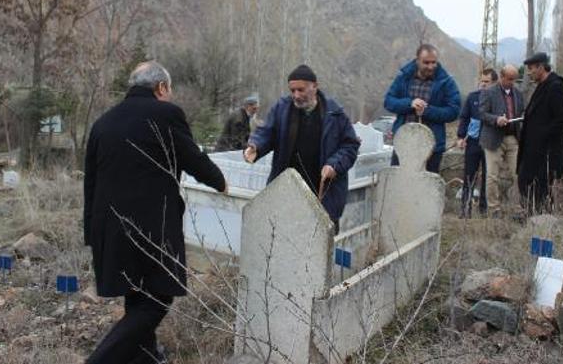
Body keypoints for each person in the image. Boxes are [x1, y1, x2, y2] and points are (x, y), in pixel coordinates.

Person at [84, 61, 226, 364]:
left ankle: (146, 357)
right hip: (153, 228)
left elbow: (90, 183)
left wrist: (91, 233)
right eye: (169, 90)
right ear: (161, 87)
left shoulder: (103, 122)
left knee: (137, 296)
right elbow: (193, 158)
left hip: (110, 228)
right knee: (157, 300)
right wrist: (220, 182)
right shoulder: (167, 114)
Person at [244, 65, 359, 235]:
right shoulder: (282, 108)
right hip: (288, 190)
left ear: (315, 86)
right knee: (284, 239)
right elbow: (267, 132)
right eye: (292, 90)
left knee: (319, 246)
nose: (296, 95)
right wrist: (255, 146)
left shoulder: (334, 113)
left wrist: (334, 165)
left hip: (323, 193)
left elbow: (350, 145)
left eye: (301, 89)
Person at [384, 43, 461, 173]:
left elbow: (453, 111)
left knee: (426, 187)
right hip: (403, 142)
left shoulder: (446, 81)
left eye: (434, 62)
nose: (431, 67)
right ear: (417, 60)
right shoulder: (403, 77)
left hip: (431, 147)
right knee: (398, 184)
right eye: (426, 63)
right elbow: (388, 101)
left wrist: (427, 111)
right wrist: (409, 104)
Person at [517, 53, 563, 215]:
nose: (529, 72)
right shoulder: (542, 86)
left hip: (546, 152)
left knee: (541, 189)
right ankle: (532, 215)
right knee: (525, 182)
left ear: (541, 67)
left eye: (531, 69)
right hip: (533, 150)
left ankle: (541, 219)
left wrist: (542, 133)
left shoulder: (555, 87)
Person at [479, 64, 525, 217]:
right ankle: (494, 209)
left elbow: (521, 111)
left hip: (512, 138)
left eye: (514, 79)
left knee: (517, 174)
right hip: (493, 139)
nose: (512, 82)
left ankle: (517, 208)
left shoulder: (518, 94)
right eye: (509, 79)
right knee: (492, 175)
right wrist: (496, 119)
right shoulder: (489, 92)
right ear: (502, 77)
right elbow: (482, 113)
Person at [456, 68, 497, 218]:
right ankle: (465, 209)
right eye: (482, 81)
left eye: (487, 82)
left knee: (488, 177)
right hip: (473, 142)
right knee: (469, 175)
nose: (483, 84)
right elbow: (464, 117)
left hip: (490, 143)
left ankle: (484, 210)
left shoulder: (497, 99)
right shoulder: (472, 97)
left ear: (494, 82)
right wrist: (461, 137)